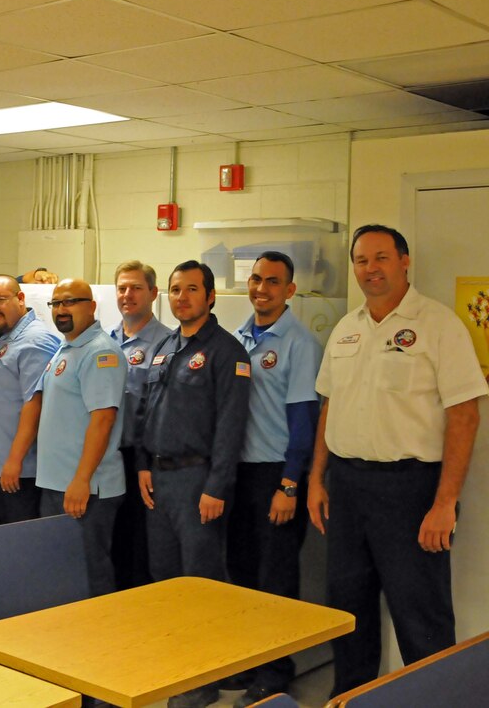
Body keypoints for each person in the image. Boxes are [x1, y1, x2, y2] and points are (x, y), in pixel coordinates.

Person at [307, 225, 486, 697]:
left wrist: (445, 502)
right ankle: (351, 699)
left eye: (381, 258)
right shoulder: (346, 329)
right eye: (362, 260)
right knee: (347, 609)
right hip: (347, 488)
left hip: (411, 491)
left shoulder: (439, 325)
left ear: (405, 261)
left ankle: (437, 701)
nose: (371, 269)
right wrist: (315, 480)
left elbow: (465, 417)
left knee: (420, 614)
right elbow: (330, 407)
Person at [137, 260, 251, 708]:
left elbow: (231, 423)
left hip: (197, 480)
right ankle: (175, 668)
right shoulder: (165, 345)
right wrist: (143, 463)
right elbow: (147, 408)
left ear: (210, 297)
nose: (182, 297)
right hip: (159, 479)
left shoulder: (227, 352)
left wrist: (217, 486)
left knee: (200, 584)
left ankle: (203, 680)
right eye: (175, 290)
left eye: (191, 290)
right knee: (165, 581)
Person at [226, 252, 322, 707]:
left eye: (273, 282)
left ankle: (277, 671)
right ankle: (249, 660)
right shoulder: (239, 338)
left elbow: (304, 419)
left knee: (276, 581)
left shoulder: (299, 343)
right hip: (238, 473)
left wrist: (290, 484)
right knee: (242, 575)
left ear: (290, 290)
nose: (261, 288)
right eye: (256, 279)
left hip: (276, 475)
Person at [35, 278, 126, 597]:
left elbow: (103, 420)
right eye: (56, 303)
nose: (61, 309)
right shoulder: (68, 347)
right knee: (62, 573)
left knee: (90, 574)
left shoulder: (100, 352)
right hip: (58, 483)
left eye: (70, 302)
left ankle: (101, 643)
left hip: (87, 488)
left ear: (92, 306)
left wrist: (82, 480)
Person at [0, 275, 60, 524]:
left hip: (20, 471)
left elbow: (36, 403)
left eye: (0, 300)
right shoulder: (6, 335)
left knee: (23, 549)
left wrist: (15, 461)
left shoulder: (35, 340)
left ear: (20, 298)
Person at [110, 260, 172, 590]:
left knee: (141, 548)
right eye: (121, 288)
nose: (127, 295)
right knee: (113, 543)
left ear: (152, 293)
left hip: (142, 459)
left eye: (135, 287)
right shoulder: (106, 339)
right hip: (107, 456)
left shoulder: (167, 344)